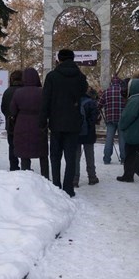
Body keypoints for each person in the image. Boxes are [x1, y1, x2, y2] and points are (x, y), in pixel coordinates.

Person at [39, 49, 88, 197]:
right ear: (73, 59)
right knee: (71, 156)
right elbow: (83, 93)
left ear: (59, 59)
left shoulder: (52, 76)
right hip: (73, 122)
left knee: (55, 155)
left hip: (56, 121)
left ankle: (56, 185)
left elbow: (45, 99)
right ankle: (68, 187)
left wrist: (42, 120)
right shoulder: (80, 77)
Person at [10, 67, 49, 179]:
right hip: (39, 124)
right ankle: (45, 177)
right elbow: (47, 108)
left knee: (24, 153)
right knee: (42, 153)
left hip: (22, 124)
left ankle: (26, 177)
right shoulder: (42, 92)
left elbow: (12, 110)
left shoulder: (18, 92)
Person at [116, 78, 139, 182]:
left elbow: (127, 117)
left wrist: (122, 126)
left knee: (130, 155)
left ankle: (128, 175)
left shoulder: (134, 101)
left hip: (133, 133)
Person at [74, 86, 100, 187]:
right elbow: (94, 119)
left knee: (76, 157)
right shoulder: (91, 102)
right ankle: (92, 177)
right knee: (90, 156)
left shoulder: (75, 102)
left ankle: (75, 179)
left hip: (76, 133)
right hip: (89, 134)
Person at [98, 75, 126, 164]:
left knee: (109, 139)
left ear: (112, 83)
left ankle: (106, 158)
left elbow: (98, 106)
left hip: (110, 119)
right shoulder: (124, 92)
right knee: (122, 139)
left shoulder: (106, 92)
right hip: (122, 119)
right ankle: (124, 158)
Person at [1, 70, 23, 170]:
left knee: (12, 146)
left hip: (10, 123)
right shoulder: (24, 90)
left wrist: (9, 115)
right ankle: (25, 167)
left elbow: (3, 108)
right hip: (23, 123)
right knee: (24, 145)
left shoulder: (7, 91)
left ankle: (13, 166)